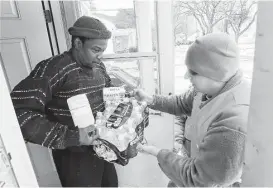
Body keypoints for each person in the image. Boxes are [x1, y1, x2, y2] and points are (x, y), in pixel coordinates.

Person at [10, 16, 118, 187]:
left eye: (102, 51)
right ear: (77, 44)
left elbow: (109, 93)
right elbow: (17, 113)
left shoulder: (98, 67)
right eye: (96, 50)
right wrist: (72, 136)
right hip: (74, 156)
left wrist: (122, 102)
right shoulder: (53, 69)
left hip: (103, 148)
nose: (100, 57)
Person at [134, 33, 251, 187]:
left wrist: (159, 153)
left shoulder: (234, 121)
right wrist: (151, 100)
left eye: (194, 72)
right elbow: (182, 103)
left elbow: (201, 180)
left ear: (216, 73)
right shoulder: (207, 89)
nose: (186, 76)